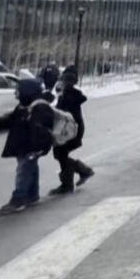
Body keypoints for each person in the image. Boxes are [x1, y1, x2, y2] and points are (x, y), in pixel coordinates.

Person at [0, 80, 55, 214]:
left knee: (23, 172)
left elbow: (44, 131)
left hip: (31, 147)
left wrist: (38, 150)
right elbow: (12, 120)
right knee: (31, 169)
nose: (15, 92)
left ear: (28, 90)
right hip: (23, 146)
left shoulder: (39, 107)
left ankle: (18, 200)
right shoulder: (24, 105)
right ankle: (32, 195)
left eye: (18, 89)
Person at [49, 66, 93, 195]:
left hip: (71, 130)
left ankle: (77, 176)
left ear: (69, 81)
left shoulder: (71, 96)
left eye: (64, 80)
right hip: (68, 129)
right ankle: (71, 180)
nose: (61, 82)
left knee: (60, 153)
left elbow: (64, 113)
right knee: (60, 154)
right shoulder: (66, 94)